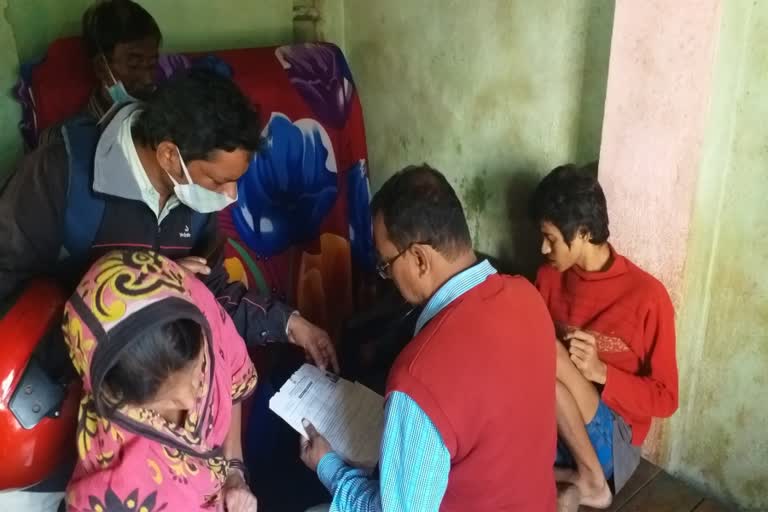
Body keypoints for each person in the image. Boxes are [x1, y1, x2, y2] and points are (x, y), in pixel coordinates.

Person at [0, 69, 336, 371]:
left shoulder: (193, 196)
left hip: (154, 386)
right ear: (169, 156)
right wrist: (149, 287)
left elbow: (210, 290)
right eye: (219, 181)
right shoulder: (60, 174)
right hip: (61, 389)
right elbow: (8, 284)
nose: (230, 195)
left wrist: (289, 324)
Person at [300, 164, 557, 511]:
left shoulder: (419, 377)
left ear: (419, 258)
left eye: (386, 264)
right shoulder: (528, 297)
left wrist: (328, 467)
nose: (387, 276)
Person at [529, 163, 679, 509]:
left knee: (547, 354)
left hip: (612, 442)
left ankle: (588, 481)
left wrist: (601, 373)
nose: (543, 249)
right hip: (555, 423)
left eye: (550, 238)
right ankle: (573, 483)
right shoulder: (548, 277)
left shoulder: (647, 297)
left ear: (582, 233)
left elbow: (666, 399)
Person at [62, 249, 259, 511]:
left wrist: (235, 470)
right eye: (166, 400)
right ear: (117, 396)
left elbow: (234, 375)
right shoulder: (113, 491)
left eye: (197, 372)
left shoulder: (197, 308)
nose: (191, 400)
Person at [38, 0, 162, 146]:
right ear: (101, 67)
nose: (148, 79)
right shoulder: (64, 139)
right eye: (134, 65)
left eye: (152, 65)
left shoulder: (167, 118)